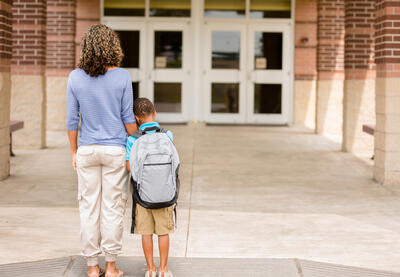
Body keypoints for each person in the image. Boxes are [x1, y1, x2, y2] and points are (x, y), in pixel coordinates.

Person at [66, 24, 137, 277]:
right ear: (112, 46)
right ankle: (111, 266)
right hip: (114, 151)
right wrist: (141, 132)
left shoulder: (75, 77)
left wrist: (74, 151)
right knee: (112, 207)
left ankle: (92, 268)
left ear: (86, 47)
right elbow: (128, 120)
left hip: (86, 150)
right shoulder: (122, 77)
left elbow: (72, 121)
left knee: (88, 208)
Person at [126, 98, 174, 277]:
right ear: (155, 113)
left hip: (143, 195)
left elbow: (129, 167)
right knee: (163, 232)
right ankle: (163, 269)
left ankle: (151, 269)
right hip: (165, 193)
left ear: (137, 118)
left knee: (146, 232)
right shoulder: (167, 135)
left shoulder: (133, 139)